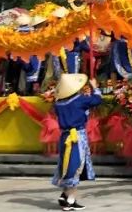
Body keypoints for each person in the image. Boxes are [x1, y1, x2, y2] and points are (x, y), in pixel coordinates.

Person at [51, 73, 102, 211]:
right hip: (77, 137)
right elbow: (97, 100)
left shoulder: (58, 104)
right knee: (74, 166)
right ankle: (70, 200)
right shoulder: (79, 100)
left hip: (65, 136)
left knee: (66, 165)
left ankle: (64, 195)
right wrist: (95, 87)